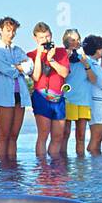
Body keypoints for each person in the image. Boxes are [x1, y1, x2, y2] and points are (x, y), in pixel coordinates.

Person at [0, 17, 29, 160]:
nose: (10, 34)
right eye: (8, 30)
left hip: (19, 95)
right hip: (3, 95)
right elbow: (9, 70)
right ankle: (2, 169)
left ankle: (13, 168)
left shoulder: (17, 50)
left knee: (14, 135)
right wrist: (19, 67)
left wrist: (20, 67)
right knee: (4, 135)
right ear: (0, 30)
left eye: (13, 31)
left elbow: (30, 66)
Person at [27, 22, 70, 157]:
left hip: (58, 97)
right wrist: (40, 56)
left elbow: (64, 73)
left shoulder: (61, 52)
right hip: (41, 97)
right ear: (35, 39)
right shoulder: (31, 55)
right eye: (42, 38)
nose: (46, 40)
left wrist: (51, 60)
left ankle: (56, 170)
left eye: (47, 37)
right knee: (43, 134)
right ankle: (42, 168)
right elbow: (35, 76)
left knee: (58, 135)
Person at [60, 28, 91, 156]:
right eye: (73, 40)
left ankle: (81, 167)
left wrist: (86, 65)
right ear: (66, 41)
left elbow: (93, 79)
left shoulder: (84, 58)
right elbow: (60, 77)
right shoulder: (62, 57)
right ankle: (62, 162)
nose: (77, 42)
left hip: (83, 100)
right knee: (65, 133)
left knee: (81, 135)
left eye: (78, 39)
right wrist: (65, 60)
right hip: (68, 99)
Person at [80, 35, 102, 155]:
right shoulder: (93, 64)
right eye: (101, 48)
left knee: (96, 136)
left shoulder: (87, 61)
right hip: (97, 102)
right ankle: (96, 167)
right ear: (97, 49)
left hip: (94, 101)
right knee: (96, 137)